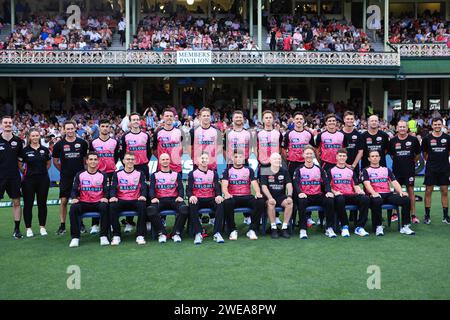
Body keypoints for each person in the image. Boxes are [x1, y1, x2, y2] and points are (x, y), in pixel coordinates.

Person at [362, 150, 415, 236]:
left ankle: (405, 226)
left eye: (376, 156)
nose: (375, 158)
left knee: (406, 200)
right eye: (372, 156)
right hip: (375, 194)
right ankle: (378, 226)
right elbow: (367, 184)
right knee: (377, 201)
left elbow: (394, 182)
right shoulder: (366, 170)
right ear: (369, 158)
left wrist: (401, 191)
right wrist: (373, 193)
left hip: (387, 194)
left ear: (380, 158)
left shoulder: (386, 170)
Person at [52, 120, 88, 235]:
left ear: (75, 129)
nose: (70, 131)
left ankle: (81, 224)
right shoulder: (59, 144)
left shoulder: (82, 143)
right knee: (64, 200)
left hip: (80, 177)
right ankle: (62, 225)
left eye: (72, 128)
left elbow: (84, 160)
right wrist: (63, 171)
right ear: (64, 130)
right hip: (66, 177)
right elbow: (56, 161)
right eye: (68, 129)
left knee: (79, 200)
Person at [293, 145, 336, 239]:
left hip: (318, 195)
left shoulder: (319, 169)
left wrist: (328, 191)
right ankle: (303, 229)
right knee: (301, 201)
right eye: (307, 153)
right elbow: (295, 183)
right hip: (306, 195)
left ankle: (329, 228)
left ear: (314, 155)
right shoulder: (299, 169)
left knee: (330, 199)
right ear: (303, 155)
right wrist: (300, 192)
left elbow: (326, 182)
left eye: (311, 153)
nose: (309, 155)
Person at [68, 152, 110, 248]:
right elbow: (74, 189)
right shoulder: (80, 174)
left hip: (98, 202)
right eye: (91, 159)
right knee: (74, 208)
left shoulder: (103, 175)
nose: (93, 161)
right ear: (86, 161)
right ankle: (75, 237)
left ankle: (103, 236)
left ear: (98, 161)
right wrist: (74, 198)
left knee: (105, 206)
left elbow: (107, 190)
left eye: (95, 159)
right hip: (84, 202)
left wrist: (105, 197)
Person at [222, 151, 265, 240]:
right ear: (232, 159)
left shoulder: (249, 170)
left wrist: (257, 192)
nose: (238, 159)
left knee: (260, 201)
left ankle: (252, 230)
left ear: (244, 158)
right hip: (233, 197)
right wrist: (226, 194)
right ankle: (232, 230)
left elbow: (254, 183)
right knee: (226, 203)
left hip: (246, 196)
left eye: (240, 157)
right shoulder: (228, 171)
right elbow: (224, 185)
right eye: (236, 157)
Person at [120, 112, 151, 232]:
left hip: (143, 167)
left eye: (138, 119)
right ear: (130, 122)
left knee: (145, 192)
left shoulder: (146, 135)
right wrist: (127, 165)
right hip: (130, 167)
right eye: (133, 120)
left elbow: (148, 151)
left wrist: (143, 161)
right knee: (130, 191)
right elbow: (122, 154)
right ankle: (129, 221)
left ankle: (147, 220)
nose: (136, 121)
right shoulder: (125, 136)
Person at [328, 149, 370, 237]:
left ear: (346, 157)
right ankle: (345, 226)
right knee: (339, 199)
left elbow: (355, 186)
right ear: (336, 157)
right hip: (338, 195)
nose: (342, 158)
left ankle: (360, 227)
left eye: (344, 156)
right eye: (340, 156)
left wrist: (359, 191)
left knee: (365, 198)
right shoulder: (331, 170)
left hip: (350, 194)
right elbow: (328, 186)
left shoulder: (351, 171)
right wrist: (335, 192)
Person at [148, 153, 188, 243]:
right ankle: (162, 233)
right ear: (159, 161)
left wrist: (181, 196)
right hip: (159, 200)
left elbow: (181, 188)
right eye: (163, 159)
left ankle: (176, 233)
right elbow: (151, 188)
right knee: (151, 210)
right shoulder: (155, 175)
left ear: (170, 161)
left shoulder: (176, 174)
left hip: (174, 199)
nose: (165, 161)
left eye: (167, 159)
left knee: (184, 209)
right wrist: (153, 197)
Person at [109, 152, 148, 245]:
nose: (130, 161)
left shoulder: (140, 173)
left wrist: (143, 195)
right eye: (128, 159)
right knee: (112, 206)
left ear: (135, 161)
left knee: (143, 205)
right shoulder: (117, 174)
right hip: (121, 199)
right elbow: (113, 187)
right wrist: (113, 196)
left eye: (132, 159)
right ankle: (116, 235)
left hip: (135, 199)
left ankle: (140, 235)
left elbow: (143, 187)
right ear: (123, 161)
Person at [186, 152, 225, 244]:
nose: (204, 160)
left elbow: (217, 187)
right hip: (198, 198)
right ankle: (198, 233)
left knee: (220, 204)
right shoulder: (192, 174)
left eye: (206, 158)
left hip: (210, 198)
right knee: (192, 203)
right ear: (197, 161)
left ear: (209, 160)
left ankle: (217, 233)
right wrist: (191, 196)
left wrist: (218, 195)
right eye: (202, 158)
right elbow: (188, 189)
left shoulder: (213, 173)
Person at [89, 118, 120, 233]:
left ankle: (111, 223)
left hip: (111, 172)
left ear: (109, 128)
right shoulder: (93, 142)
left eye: (107, 126)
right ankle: (95, 224)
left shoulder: (114, 142)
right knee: (96, 196)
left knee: (111, 198)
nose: (105, 128)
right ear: (99, 127)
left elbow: (116, 156)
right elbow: (91, 157)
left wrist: (111, 165)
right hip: (98, 173)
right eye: (103, 126)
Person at [18, 128, 51, 238]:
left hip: (43, 180)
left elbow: (48, 163)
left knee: (42, 204)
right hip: (29, 181)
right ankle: (29, 228)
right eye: (33, 136)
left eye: (37, 135)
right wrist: (26, 173)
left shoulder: (44, 150)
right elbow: (20, 164)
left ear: (39, 136)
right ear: (29, 137)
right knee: (28, 204)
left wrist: (41, 172)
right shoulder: (24, 150)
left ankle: (42, 227)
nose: (35, 137)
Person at [388, 120, 421, 224]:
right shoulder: (392, 141)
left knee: (410, 191)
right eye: (400, 127)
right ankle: (394, 214)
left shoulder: (414, 140)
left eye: (404, 127)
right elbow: (392, 156)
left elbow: (417, 155)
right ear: (397, 128)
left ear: (407, 128)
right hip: (397, 170)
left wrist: (410, 163)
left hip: (409, 171)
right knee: (396, 191)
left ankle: (413, 215)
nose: (402, 129)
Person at [421, 117, 450, 225]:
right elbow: (424, 154)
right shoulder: (427, 138)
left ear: (442, 125)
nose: (437, 126)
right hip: (431, 169)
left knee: (445, 192)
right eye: (435, 124)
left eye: (439, 124)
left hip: (444, 169)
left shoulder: (447, 138)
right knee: (428, 191)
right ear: (432, 125)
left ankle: (446, 216)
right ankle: (427, 216)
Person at [0, 116, 24, 239]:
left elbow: (20, 161)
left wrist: (24, 173)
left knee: (16, 202)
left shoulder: (18, 141)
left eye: (10, 122)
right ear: (1, 124)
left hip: (14, 176)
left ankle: (17, 229)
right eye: (5, 122)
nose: (8, 124)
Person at [260, 152, 293, 239]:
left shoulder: (284, 171)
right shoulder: (265, 171)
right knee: (271, 204)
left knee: (289, 203)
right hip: (269, 196)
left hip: (281, 196)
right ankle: (273, 228)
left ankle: (284, 227)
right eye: (275, 159)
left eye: (279, 159)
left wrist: (289, 196)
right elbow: (264, 187)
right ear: (270, 161)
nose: (277, 160)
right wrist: (270, 198)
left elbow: (289, 185)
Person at [282, 112, 315, 177]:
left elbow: (312, 148)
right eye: (297, 119)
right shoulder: (288, 134)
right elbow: (283, 149)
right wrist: (288, 159)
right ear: (293, 120)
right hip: (292, 163)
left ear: (303, 121)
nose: (299, 120)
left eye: (301, 119)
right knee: (293, 183)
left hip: (305, 162)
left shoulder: (309, 134)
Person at [153, 108, 184, 173]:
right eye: (167, 116)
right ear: (163, 117)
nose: (169, 118)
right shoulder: (158, 132)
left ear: (173, 118)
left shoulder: (179, 132)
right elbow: (155, 150)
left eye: (171, 116)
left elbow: (182, 148)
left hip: (177, 167)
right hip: (162, 168)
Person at [340, 111, 364, 175]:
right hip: (340, 165)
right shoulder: (339, 134)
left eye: (351, 119)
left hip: (354, 166)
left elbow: (360, 152)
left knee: (355, 185)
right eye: (348, 119)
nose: (350, 121)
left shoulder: (358, 135)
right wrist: (345, 164)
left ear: (354, 120)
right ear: (344, 120)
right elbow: (336, 151)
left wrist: (353, 165)